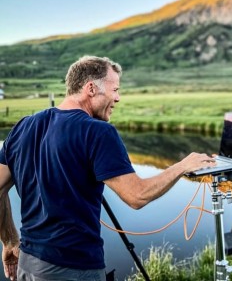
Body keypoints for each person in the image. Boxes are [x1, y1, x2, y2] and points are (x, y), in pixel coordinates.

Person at [0, 56, 215, 281]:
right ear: (91, 88)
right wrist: (183, 166)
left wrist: (9, 241)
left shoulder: (23, 127)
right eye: (115, 89)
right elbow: (137, 196)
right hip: (74, 269)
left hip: (28, 263)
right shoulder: (98, 132)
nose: (118, 98)